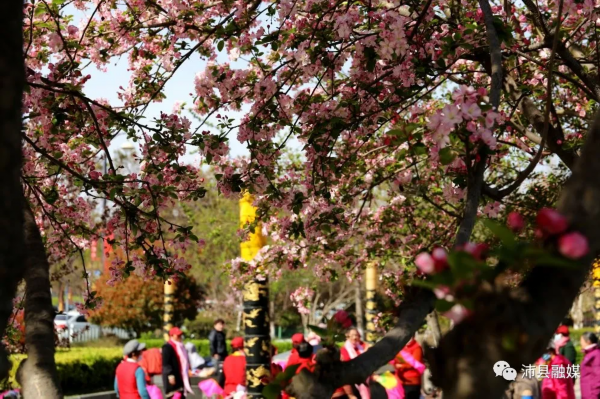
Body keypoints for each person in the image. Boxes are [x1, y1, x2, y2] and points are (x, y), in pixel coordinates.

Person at [336, 327, 370, 399]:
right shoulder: (344, 349)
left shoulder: (361, 346)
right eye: (352, 335)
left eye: (356, 335)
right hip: (351, 380)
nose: (354, 337)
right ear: (347, 336)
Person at [162, 327, 194, 398]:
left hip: (181, 377)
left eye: (180, 335)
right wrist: (170, 375)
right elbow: (166, 363)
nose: (180, 337)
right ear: (171, 336)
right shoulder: (167, 347)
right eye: (177, 335)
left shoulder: (181, 346)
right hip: (173, 378)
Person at [580, 331, 600, 399]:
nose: (581, 343)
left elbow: (598, 376)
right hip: (587, 393)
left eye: (582, 341)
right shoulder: (589, 353)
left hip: (591, 394)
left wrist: (594, 395)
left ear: (588, 341)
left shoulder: (596, 354)